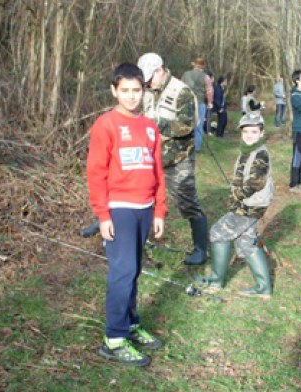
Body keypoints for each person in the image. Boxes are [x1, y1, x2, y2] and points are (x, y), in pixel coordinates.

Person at [87, 62, 167, 366]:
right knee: (122, 273)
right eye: (126, 91)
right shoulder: (106, 125)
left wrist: (159, 210)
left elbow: (157, 170)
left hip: (145, 209)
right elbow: (96, 174)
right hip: (119, 210)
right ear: (114, 91)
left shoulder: (149, 126)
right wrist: (103, 215)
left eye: (137, 90)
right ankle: (114, 337)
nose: (132, 97)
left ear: (144, 90)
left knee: (133, 270)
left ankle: (131, 323)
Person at [138, 52, 208, 266]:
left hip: (179, 158)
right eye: (145, 81)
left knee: (188, 203)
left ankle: (200, 250)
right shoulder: (148, 92)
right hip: (152, 156)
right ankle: (139, 247)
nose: (147, 84)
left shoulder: (182, 92)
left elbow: (186, 126)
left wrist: (155, 123)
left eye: (149, 79)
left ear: (160, 71)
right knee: (142, 202)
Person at [194, 111, 274, 298]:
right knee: (247, 244)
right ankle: (264, 289)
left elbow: (256, 182)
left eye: (254, 132)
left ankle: (216, 280)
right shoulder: (247, 150)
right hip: (252, 204)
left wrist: (238, 195)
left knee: (217, 233)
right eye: (246, 131)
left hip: (249, 207)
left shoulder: (260, 154)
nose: (249, 135)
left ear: (261, 133)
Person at [182, 57, 211, 152]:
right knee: (198, 126)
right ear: (203, 66)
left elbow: (180, 88)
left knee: (186, 124)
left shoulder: (185, 75)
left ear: (194, 64)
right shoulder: (206, 77)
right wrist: (210, 102)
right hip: (200, 103)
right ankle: (196, 148)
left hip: (186, 103)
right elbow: (209, 91)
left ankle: (185, 146)